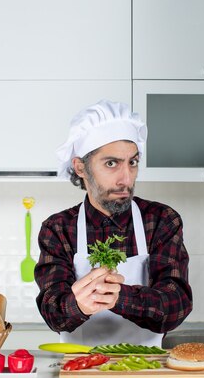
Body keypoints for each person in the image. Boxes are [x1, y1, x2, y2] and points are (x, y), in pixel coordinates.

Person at [34, 100, 193, 347]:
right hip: (78, 371)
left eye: (132, 162)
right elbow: (53, 313)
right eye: (111, 163)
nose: (126, 178)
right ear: (80, 168)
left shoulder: (161, 220)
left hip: (146, 370)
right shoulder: (58, 229)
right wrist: (76, 305)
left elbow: (176, 305)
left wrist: (120, 297)